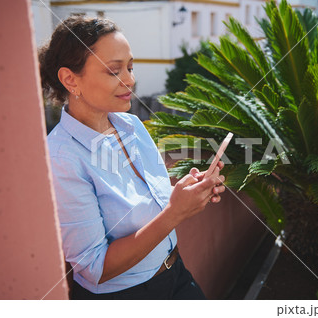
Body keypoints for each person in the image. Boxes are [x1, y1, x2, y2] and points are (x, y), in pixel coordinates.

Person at [39, 16, 226, 300]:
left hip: (177, 274)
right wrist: (175, 212)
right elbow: (95, 267)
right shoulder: (62, 157)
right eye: (114, 71)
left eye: (130, 67)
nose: (130, 80)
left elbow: (154, 200)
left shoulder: (131, 125)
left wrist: (190, 190)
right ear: (69, 79)